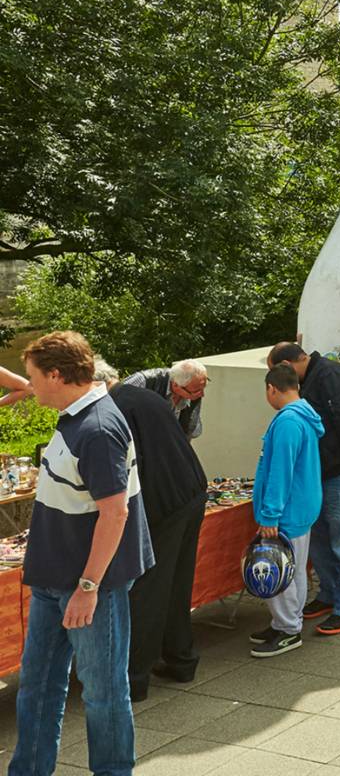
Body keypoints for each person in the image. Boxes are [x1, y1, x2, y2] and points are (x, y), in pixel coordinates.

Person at [10, 331, 152, 776]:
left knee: (103, 692)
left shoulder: (96, 430)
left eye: (35, 377)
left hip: (89, 587)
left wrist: (88, 587)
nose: (29, 388)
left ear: (56, 375)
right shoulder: (80, 406)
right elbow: (26, 384)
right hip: (56, 579)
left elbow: (115, 515)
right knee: (37, 687)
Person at [265, 341, 340, 636]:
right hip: (328, 470)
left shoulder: (331, 376)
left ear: (289, 365)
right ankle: (329, 595)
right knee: (322, 538)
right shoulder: (309, 380)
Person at [105, 369, 207, 699]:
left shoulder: (115, 407)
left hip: (165, 500)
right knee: (177, 580)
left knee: (149, 587)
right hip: (190, 490)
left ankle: (134, 679)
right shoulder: (147, 397)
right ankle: (181, 660)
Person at [249, 362, 326, 658]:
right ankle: (284, 622)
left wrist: (270, 515)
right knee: (294, 566)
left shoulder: (287, 422)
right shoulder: (303, 417)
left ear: (272, 389)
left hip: (288, 511)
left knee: (277, 568)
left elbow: (281, 471)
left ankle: (288, 629)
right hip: (301, 506)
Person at [123, 359, 208, 439]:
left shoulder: (194, 393)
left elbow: (189, 432)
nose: (202, 394)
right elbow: (113, 402)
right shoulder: (143, 381)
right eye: (196, 391)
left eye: (203, 388)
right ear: (176, 385)